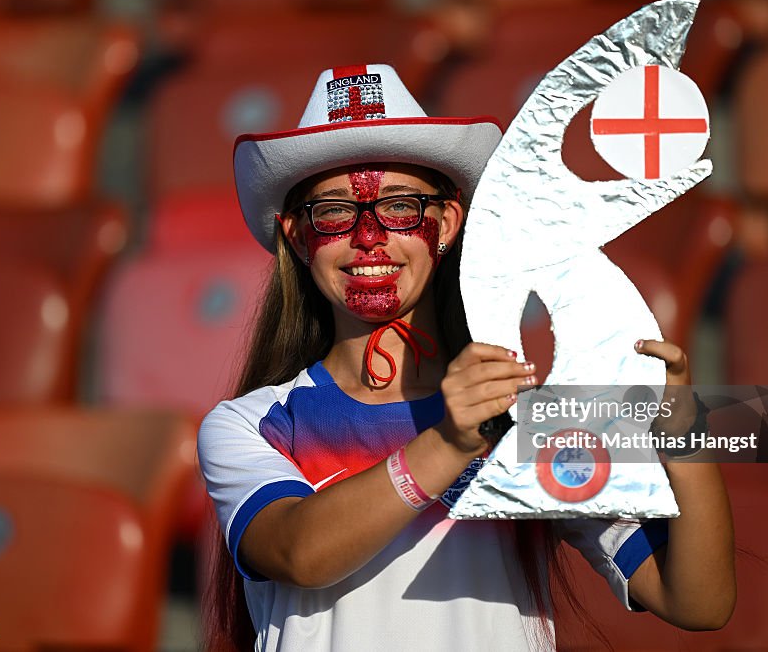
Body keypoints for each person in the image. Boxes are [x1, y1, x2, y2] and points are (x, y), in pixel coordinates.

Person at [197, 64, 735, 651]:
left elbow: (699, 602)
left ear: (446, 222)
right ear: (299, 239)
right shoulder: (248, 424)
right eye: (333, 213)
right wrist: (450, 442)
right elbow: (298, 553)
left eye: (400, 206)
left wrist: (684, 438)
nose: (370, 237)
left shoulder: (527, 423)